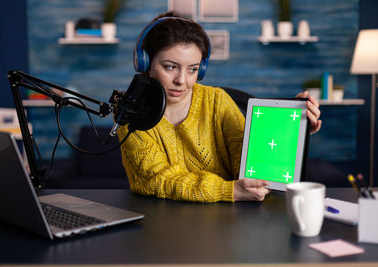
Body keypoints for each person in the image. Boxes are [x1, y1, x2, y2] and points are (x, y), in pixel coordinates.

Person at [117, 11, 322, 202]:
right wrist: (228, 190)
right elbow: (155, 180)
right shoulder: (132, 111)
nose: (181, 80)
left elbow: (250, 163)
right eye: (170, 67)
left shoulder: (217, 101)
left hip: (230, 222)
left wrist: (293, 134)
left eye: (193, 69)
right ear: (145, 62)